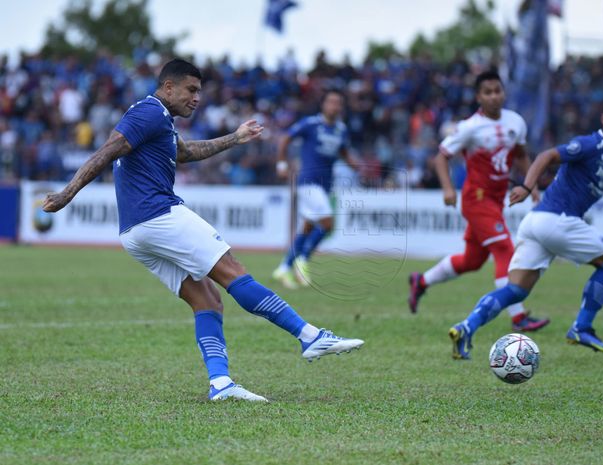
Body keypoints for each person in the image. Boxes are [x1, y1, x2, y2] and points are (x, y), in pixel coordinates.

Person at [42, 59, 364, 402]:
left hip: (135, 233)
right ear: (168, 87)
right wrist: (67, 193)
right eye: (191, 90)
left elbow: (186, 151)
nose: (196, 98)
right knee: (234, 273)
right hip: (159, 215)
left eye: (199, 91)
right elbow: (107, 150)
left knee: (207, 299)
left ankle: (221, 384)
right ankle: (309, 335)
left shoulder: (158, 120)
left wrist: (235, 137)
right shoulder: (149, 113)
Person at [448, 94, 603, 359]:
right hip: (558, 220)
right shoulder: (589, 144)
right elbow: (546, 155)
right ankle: (582, 327)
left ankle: (466, 327)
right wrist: (527, 185)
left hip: (536, 223)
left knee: (516, 290)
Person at [408, 71, 550, 333]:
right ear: (478, 96)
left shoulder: (515, 122)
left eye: (498, 90)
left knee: (472, 261)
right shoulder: (469, 127)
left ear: (504, 92)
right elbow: (440, 158)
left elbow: (520, 155)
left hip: (496, 200)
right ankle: (518, 318)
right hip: (476, 199)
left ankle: (421, 281)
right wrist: (448, 189)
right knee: (505, 251)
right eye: (488, 92)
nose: (494, 96)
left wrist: (531, 186)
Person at [272, 90, 359, 289]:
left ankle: (284, 268)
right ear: (324, 105)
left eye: (338, 103)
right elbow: (285, 138)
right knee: (328, 224)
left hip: (326, 184)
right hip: (309, 182)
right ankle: (302, 259)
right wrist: (282, 164)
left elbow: (344, 151)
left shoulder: (341, 129)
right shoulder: (311, 124)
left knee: (308, 227)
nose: (334, 106)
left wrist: (355, 165)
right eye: (331, 102)